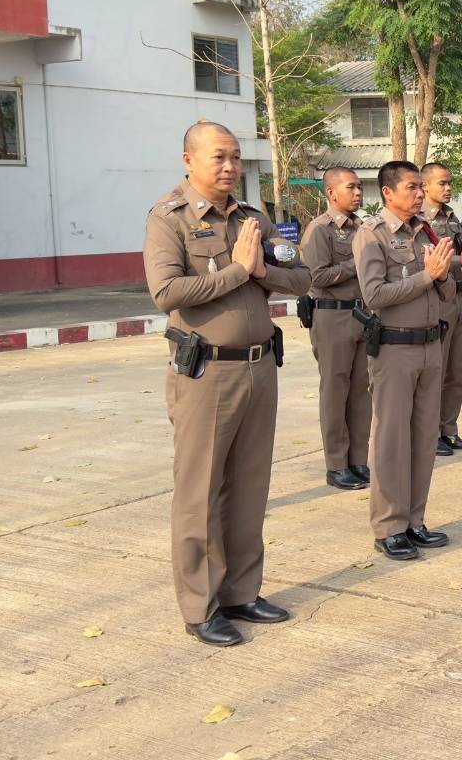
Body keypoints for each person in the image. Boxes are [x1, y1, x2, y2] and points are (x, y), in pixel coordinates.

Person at [143, 120, 309, 647]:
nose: (230, 167)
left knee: (250, 487)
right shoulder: (169, 217)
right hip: (207, 373)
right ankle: (200, 606)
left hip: (259, 367)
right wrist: (237, 271)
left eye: (235, 157)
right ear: (188, 160)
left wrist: (261, 272)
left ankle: (241, 592)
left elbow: (302, 277)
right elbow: (167, 292)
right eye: (219, 157)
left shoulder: (252, 218)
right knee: (201, 494)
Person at [357, 160, 457, 561]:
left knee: (423, 439)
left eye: (420, 187)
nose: (420, 194)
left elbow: (447, 292)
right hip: (395, 348)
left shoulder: (425, 231)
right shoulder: (373, 234)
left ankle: (415, 520)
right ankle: (389, 526)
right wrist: (427, 276)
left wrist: (443, 275)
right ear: (388, 192)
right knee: (391, 441)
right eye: (412, 187)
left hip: (431, 345)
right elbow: (374, 295)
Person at [301, 167, 372, 492]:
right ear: (331, 193)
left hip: (362, 314)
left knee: (361, 391)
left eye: (359, 188)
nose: (358, 193)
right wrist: (355, 263)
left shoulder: (363, 227)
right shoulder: (320, 230)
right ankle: (336, 464)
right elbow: (316, 276)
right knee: (335, 392)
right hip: (332, 316)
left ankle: (358, 460)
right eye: (351, 187)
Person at [422, 162, 462, 457]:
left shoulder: (451, 216)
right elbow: (430, 259)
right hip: (439, 300)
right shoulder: (421, 219)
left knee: (457, 368)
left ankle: (449, 429)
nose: (448, 188)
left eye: (450, 183)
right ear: (425, 186)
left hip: (460, 297)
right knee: (437, 370)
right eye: (442, 183)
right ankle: (431, 434)